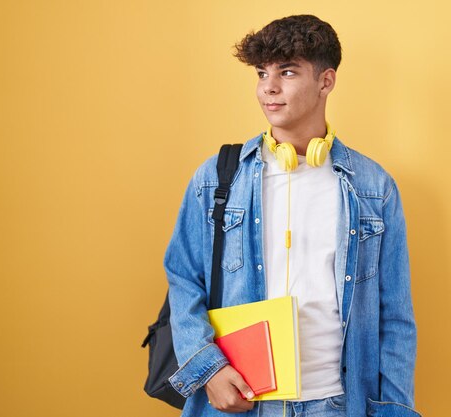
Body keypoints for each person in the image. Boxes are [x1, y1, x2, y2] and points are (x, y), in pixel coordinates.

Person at [164, 14, 420, 417]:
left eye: (287, 72)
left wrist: (394, 409)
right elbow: (183, 277)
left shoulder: (374, 187)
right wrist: (208, 370)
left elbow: (396, 318)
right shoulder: (216, 178)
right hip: (242, 402)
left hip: (335, 403)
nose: (269, 87)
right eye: (262, 73)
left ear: (326, 81)